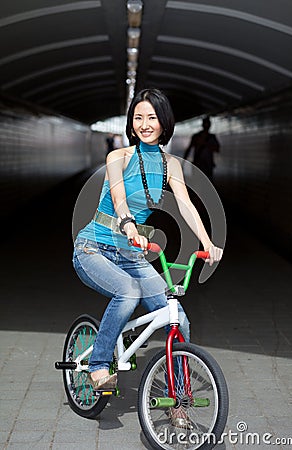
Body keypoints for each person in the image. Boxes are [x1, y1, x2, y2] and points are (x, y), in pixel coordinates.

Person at [72, 89, 223, 425]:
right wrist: (128, 225)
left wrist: (207, 241)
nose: (144, 124)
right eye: (138, 117)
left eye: (152, 117)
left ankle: (178, 401)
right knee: (128, 292)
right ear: (131, 122)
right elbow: (119, 198)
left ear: (164, 122)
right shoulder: (119, 158)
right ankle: (98, 366)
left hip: (132, 254)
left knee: (178, 319)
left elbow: (185, 204)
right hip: (93, 248)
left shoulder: (170, 166)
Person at [183, 116, 220, 182]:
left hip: (200, 164)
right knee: (206, 183)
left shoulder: (198, 136)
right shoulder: (211, 137)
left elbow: (189, 149)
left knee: (198, 183)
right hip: (205, 164)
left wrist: (184, 161)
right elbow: (217, 149)